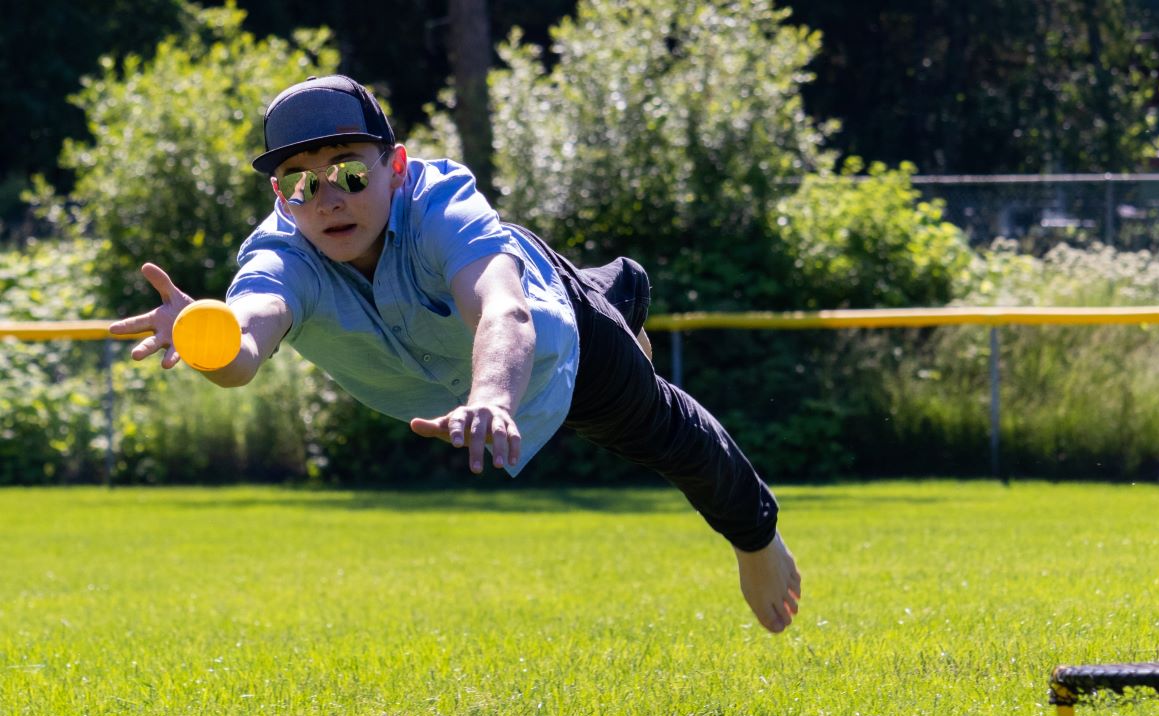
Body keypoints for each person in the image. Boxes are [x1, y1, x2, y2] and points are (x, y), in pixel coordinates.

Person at [111, 75, 801, 633]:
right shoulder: (279, 254)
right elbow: (248, 342)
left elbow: (502, 308)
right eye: (301, 181)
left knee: (656, 427)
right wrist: (213, 335)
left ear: (396, 166)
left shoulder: (441, 202)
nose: (328, 197)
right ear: (280, 196)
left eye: (351, 172)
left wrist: (492, 400)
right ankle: (623, 293)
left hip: (556, 339)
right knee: (628, 356)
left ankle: (757, 537)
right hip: (457, 372)